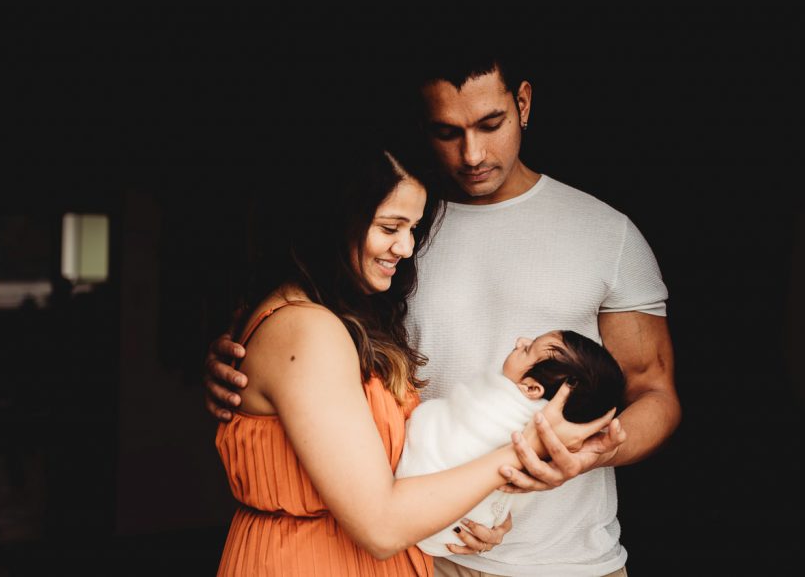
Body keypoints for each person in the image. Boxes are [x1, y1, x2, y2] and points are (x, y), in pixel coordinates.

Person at [206, 36, 680, 576]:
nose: (471, 154)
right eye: (447, 133)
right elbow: (316, 354)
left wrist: (587, 451)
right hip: (421, 554)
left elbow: (654, 391)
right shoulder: (396, 231)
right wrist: (246, 367)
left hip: (562, 559)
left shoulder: (606, 234)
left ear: (523, 104)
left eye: (490, 124)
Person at [214, 140, 612, 576]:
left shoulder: (342, 318)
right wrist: (525, 452)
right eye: (390, 227)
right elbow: (381, 526)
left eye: (413, 229)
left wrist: (476, 512)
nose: (405, 248)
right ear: (333, 223)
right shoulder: (307, 333)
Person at [395, 330, 626, 557]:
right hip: (452, 531)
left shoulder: (499, 411)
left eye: (528, 349)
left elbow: (442, 424)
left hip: (416, 508)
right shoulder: (556, 440)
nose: (519, 341)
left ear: (532, 388)